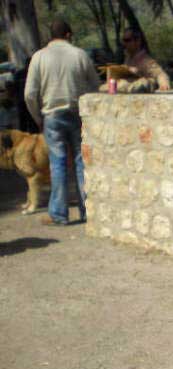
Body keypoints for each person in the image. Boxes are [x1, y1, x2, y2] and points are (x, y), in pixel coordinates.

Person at [24, 19, 100, 226]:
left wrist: (38, 118)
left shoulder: (39, 57)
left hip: (52, 115)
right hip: (77, 114)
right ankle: (88, 210)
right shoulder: (79, 55)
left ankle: (59, 213)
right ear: (68, 34)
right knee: (80, 161)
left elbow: (30, 94)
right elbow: (95, 85)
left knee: (57, 164)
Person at [120, 27, 171, 91]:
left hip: (141, 90)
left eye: (127, 40)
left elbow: (160, 74)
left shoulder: (146, 60)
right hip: (127, 89)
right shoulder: (128, 58)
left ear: (138, 41)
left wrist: (164, 84)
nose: (124, 44)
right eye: (123, 40)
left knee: (142, 83)